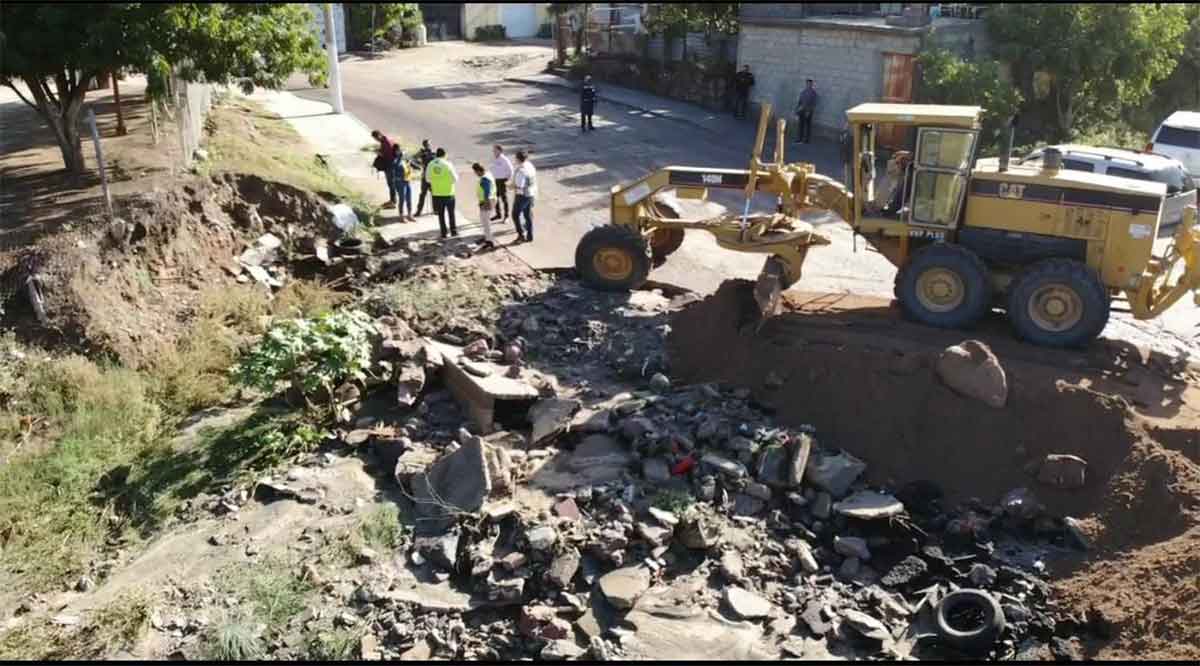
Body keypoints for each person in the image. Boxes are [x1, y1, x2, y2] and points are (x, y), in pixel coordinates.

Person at [425, 147, 459, 238]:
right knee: (451, 214)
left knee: (441, 215)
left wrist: (436, 180)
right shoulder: (448, 164)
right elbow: (455, 179)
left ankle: (443, 233)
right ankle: (453, 231)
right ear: (445, 155)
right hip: (449, 193)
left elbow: (427, 179)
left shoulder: (430, 164)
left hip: (437, 194)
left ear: (436, 154)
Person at [511, 150, 537, 243]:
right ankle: (530, 235)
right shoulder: (530, 165)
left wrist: (510, 186)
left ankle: (520, 235)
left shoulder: (521, 170)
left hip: (522, 195)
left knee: (515, 215)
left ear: (518, 159)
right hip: (531, 193)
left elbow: (520, 185)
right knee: (527, 215)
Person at [371, 130, 399, 208]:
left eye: (376, 138)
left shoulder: (385, 142)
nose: (376, 140)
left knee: (391, 184)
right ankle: (392, 201)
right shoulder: (387, 140)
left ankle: (393, 202)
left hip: (390, 166)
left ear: (379, 135)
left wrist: (378, 153)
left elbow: (387, 156)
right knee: (391, 184)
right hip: (391, 165)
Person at [472, 162, 497, 249]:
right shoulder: (487, 174)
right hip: (489, 200)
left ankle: (490, 241)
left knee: (486, 223)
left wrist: (485, 204)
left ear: (478, 171)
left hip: (487, 202)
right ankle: (487, 238)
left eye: (475, 172)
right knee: (484, 222)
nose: (475, 174)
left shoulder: (485, 179)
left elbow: (487, 192)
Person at [489, 144, 513, 222]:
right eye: (493, 150)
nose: (493, 152)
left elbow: (511, 170)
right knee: (495, 198)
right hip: (495, 180)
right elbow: (492, 168)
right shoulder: (494, 158)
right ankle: (498, 214)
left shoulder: (504, 159)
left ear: (499, 150)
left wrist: (508, 180)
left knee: (504, 199)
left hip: (502, 180)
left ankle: (506, 216)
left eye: (495, 150)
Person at [413, 139, 436, 217]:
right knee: (423, 194)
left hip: (432, 176)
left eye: (428, 144)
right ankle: (419, 211)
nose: (428, 146)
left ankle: (435, 210)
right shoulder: (422, 152)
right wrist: (420, 164)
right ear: (424, 145)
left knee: (434, 194)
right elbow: (413, 158)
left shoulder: (434, 152)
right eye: (426, 144)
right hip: (425, 176)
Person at [794, 79, 819, 144]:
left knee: (807, 126)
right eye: (807, 83)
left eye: (810, 84)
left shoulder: (813, 93)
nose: (808, 85)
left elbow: (813, 103)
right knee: (801, 125)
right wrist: (797, 109)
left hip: (808, 111)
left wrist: (809, 111)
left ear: (812, 84)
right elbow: (799, 101)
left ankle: (807, 140)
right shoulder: (803, 92)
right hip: (802, 110)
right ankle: (799, 139)